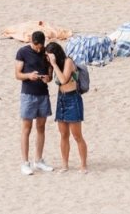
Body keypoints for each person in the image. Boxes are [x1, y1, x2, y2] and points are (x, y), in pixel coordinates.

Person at [15, 30, 54, 175]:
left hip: (43, 94)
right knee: (26, 128)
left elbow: (50, 75)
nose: (39, 49)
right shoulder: (22, 52)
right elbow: (17, 74)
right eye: (37, 46)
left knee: (41, 128)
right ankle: (25, 162)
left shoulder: (46, 53)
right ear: (32, 42)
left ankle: (38, 160)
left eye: (41, 46)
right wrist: (29, 76)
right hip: (28, 95)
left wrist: (47, 78)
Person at [45, 42, 88, 173]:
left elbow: (63, 79)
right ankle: (65, 164)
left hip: (72, 99)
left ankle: (83, 165)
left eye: (49, 55)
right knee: (63, 134)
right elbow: (50, 79)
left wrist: (53, 64)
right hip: (61, 99)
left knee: (77, 135)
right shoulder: (55, 65)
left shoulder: (68, 61)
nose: (47, 58)